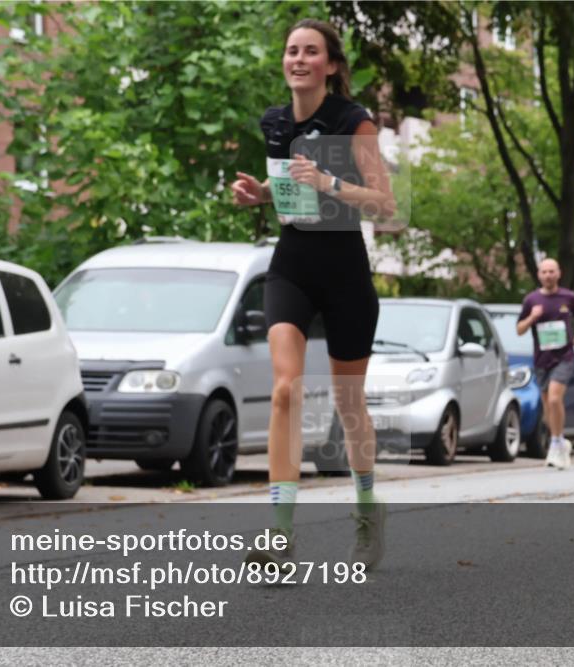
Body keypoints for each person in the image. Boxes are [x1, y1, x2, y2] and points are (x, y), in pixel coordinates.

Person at [230, 19, 396, 569]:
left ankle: (368, 510)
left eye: (310, 52)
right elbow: (284, 190)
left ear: (330, 65)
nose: (297, 59)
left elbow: (386, 205)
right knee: (284, 390)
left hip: (345, 268)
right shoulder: (275, 122)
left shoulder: (355, 122)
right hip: (293, 263)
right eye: (291, 51)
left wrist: (327, 182)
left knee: (350, 407)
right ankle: (280, 535)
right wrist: (258, 195)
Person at [516, 258, 574, 470]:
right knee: (548, 405)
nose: (548, 275)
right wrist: (532, 317)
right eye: (544, 272)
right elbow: (519, 329)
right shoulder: (532, 300)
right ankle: (559, 440)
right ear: (539, 275)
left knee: (556, 399)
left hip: (564, 356)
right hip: (542, 359)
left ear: (559, 273)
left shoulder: (569, 297)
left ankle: (556, 443)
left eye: (551, 271)